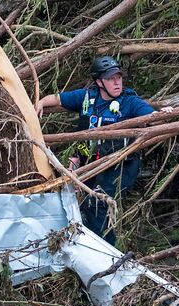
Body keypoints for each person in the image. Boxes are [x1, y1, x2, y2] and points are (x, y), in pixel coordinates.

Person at [36, 56, 171, 244]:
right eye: (111, 78)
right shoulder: (87, 97)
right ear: (99, 82)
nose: (117, 82)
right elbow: (58, 98)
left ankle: (107, 250)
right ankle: (86, 243)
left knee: (101, 203)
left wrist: (161, 115)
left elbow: (151, 116)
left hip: (120, 163)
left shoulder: (130, 102)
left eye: (119, 77)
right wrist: (41, 102)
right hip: (90, 160)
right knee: (82, 201)